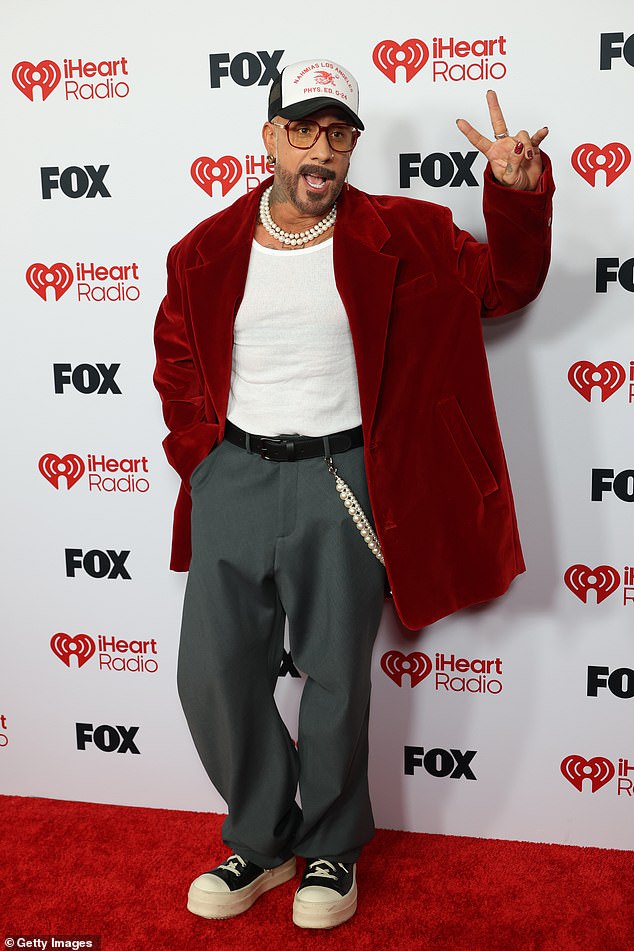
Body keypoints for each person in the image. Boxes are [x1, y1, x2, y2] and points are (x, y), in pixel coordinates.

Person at [153, 57, 554, 930]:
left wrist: (516, 195)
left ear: (352, 147)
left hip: (347, 479)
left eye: (339, 133)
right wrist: (204, 458)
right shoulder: (204, 249)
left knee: (335, 676)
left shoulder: (407, 233)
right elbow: (178, 359)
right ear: (269, 138)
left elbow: (506, 287)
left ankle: (331, 845)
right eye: (303, 128)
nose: (320, 150)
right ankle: (260, 842)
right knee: (209, 676)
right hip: (237, 479)